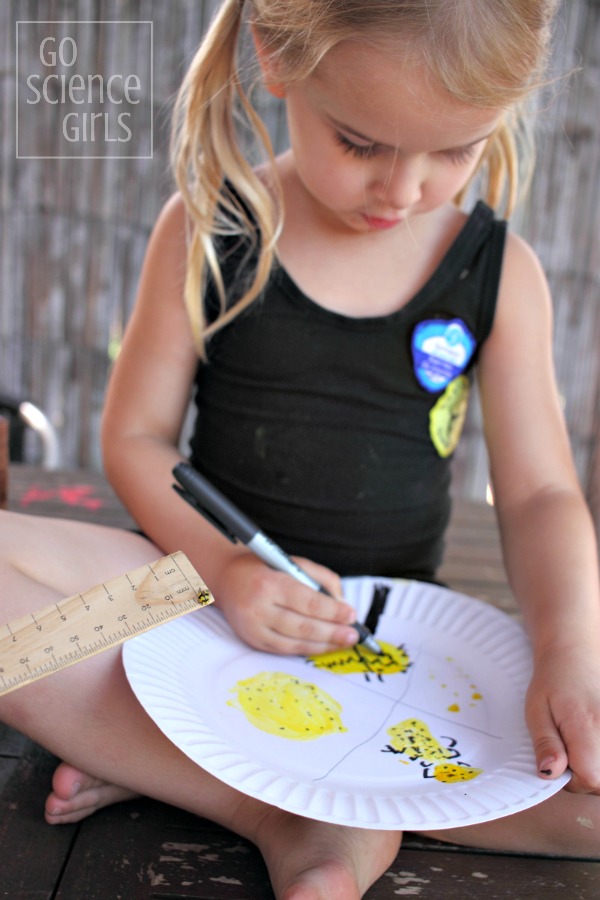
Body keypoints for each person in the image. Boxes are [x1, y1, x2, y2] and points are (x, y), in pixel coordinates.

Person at [2, 1, 600, 897]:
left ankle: (184, 763)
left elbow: (541, 496)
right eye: (362, 144)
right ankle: (273, 805)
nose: (404, 192)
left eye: (455, 150)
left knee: (585, 786)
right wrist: (228, 569)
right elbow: (134, 439)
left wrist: (570, 652)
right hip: (185, 599)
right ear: (277, 57)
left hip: (389, 651)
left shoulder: (498, 275)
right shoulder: (213, 226)